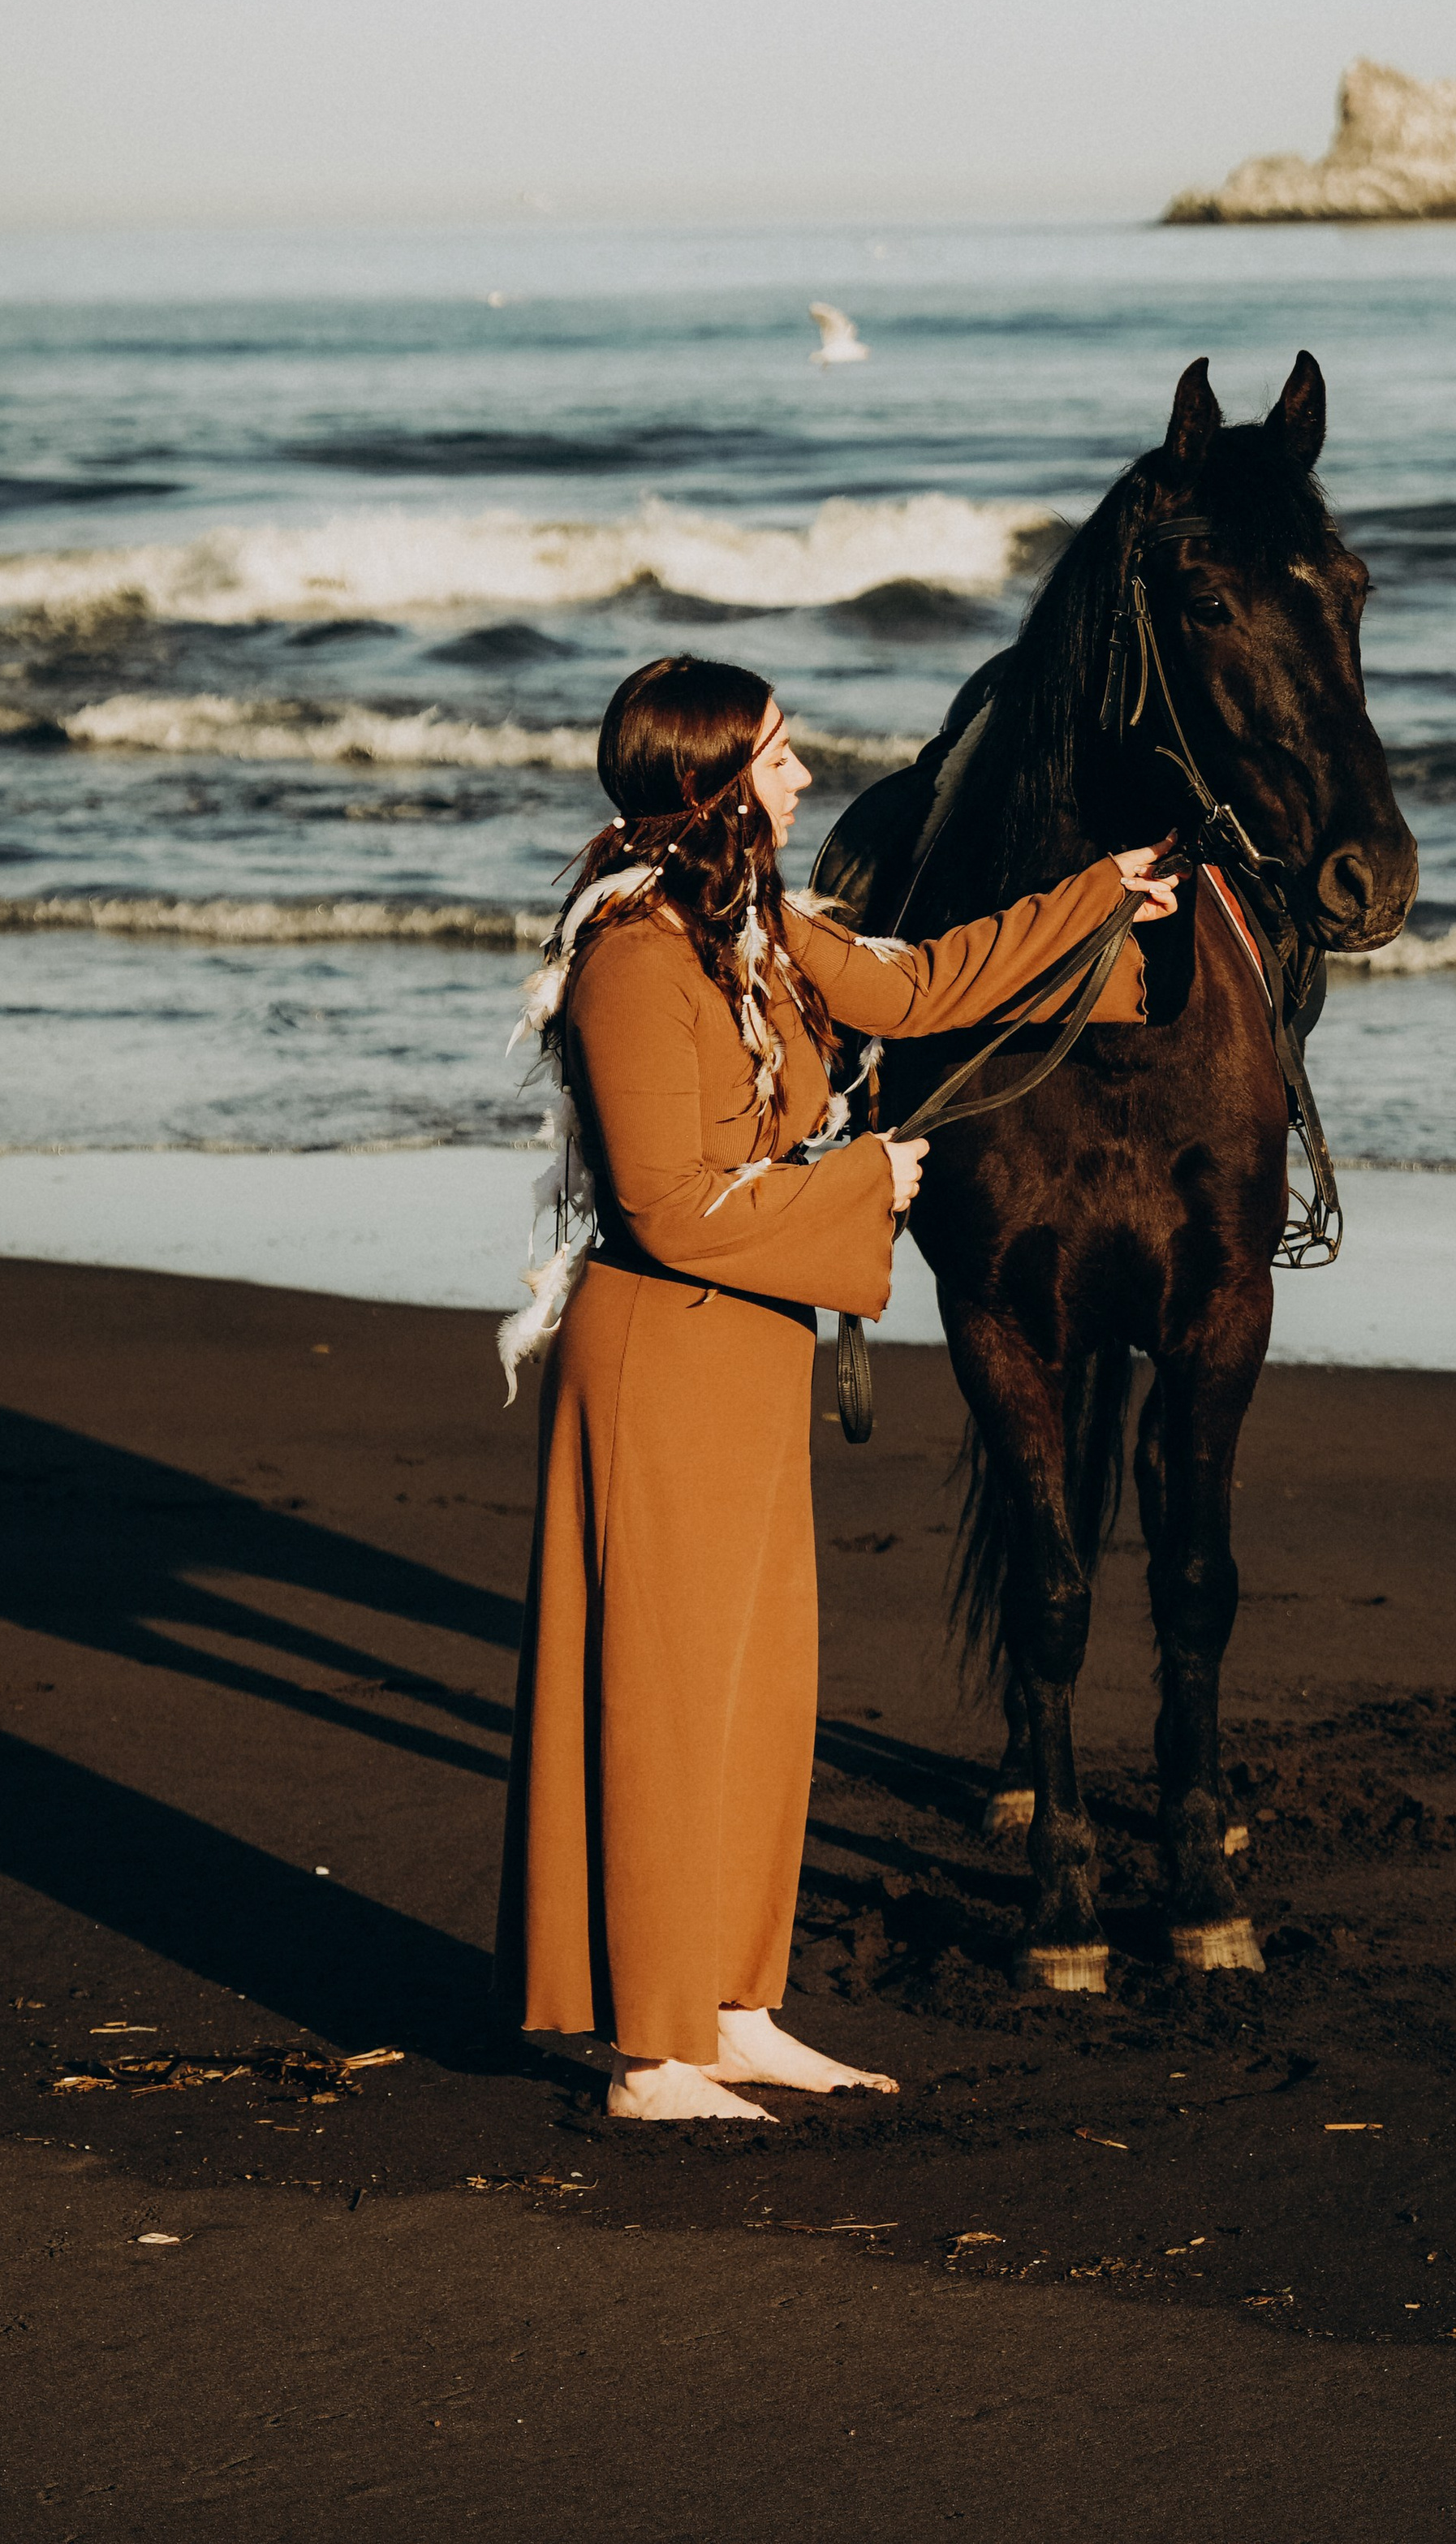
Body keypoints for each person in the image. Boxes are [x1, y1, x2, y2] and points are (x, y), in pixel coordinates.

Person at [491, 654, 1178, 2119]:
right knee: (668, 1700)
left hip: (746, 1351)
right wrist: (863, 1178)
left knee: (755, 1694)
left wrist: (1105, 894)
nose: (805, 776)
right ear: (714, 782)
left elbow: (925, 982)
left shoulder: (765, 931)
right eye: (781, 755)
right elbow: (667, 1207)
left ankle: (731, 2006)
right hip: (662, 1352)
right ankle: (650, 2049)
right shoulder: (633, 959)